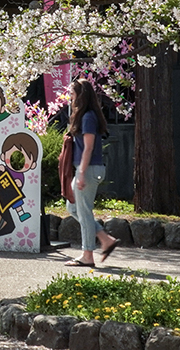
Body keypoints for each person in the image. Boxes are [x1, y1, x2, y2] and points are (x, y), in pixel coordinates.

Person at [65, 79, 119, 267]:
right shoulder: (85, 115)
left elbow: (88, 148)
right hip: (87, 169)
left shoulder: (88, 117)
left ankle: (87, 256)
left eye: (72, 93)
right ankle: (105, 239)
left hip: (87, 169)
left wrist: (81, 173)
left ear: (80, 95)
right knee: (72, 208)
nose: (69, 97)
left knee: (84, 212)